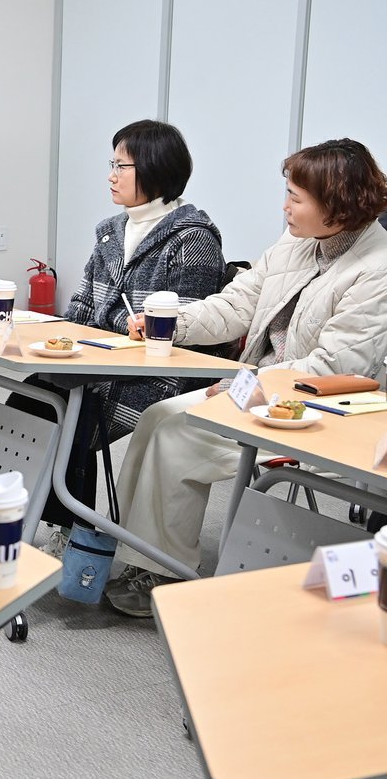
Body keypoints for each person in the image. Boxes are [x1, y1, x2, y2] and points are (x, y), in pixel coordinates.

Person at [105, 138, 387, 617]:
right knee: (156, 418)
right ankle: (145, 554)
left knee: (176, 435)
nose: (285, 207)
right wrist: (172, 324)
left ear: (337, 205)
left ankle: (164, 571)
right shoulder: (297, 241)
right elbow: (237, 304)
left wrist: (248, 385)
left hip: (316, 412)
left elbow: (335, 367)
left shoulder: (376, 268)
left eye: (296, 198)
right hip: (259, 393)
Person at [12, 120, 226, 547]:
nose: (111, 176)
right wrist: (54, 341)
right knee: (32, 396)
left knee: (72, 412)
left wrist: (107, 339)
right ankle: (52, 522)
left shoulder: (194, 240)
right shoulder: (110, 231)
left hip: (156, 375)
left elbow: (184, 334)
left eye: (121, 166)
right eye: (112, 164)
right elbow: (81, 307)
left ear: (155, 169)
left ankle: (74, 533)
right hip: (100, 362)